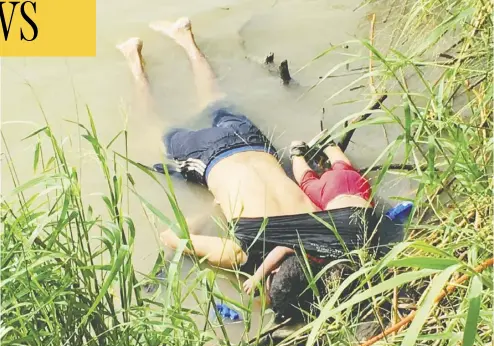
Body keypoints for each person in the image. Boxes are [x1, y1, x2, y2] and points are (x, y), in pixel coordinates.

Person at [118, 17, 378, 320]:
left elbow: (348, 196)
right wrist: (212, 209)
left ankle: (185, 38)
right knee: (155, 132)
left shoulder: (329, 228)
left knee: (215, 101)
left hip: (255, 145)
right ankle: (132, 59)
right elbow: (171, 237)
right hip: (210, 156)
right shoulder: (241, 254)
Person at [243, 139, 374, 295]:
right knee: (307, 181)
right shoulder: (322, 246)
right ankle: (297, 153)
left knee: (343, 168)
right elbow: (283, 248)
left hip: (360, 188)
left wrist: (257, 277)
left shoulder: (362, 254)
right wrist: (257, 277)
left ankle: (330, 147)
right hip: (332, 192)